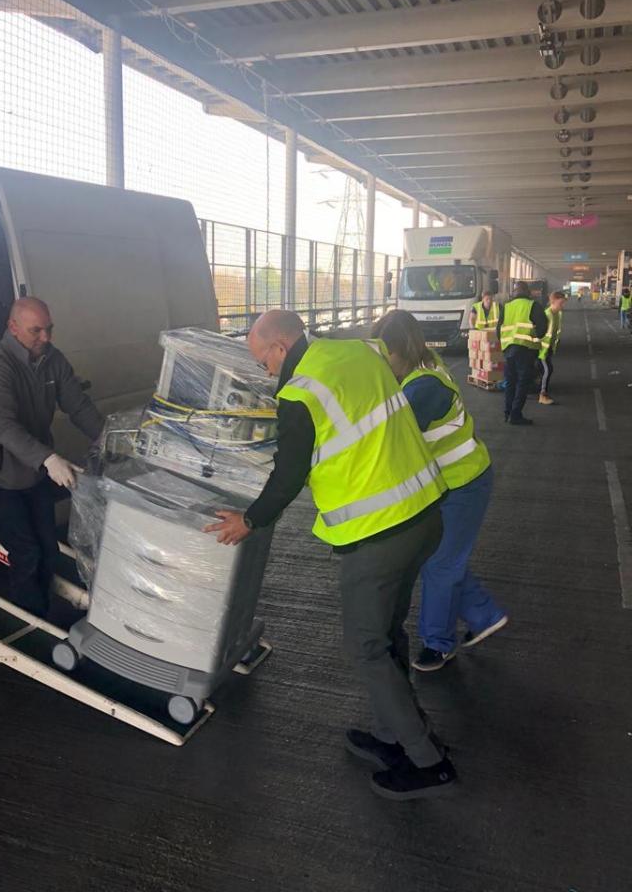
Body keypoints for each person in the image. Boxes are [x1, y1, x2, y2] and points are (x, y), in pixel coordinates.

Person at [205, 310, 456, 801]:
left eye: (263, 361)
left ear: (280, 346)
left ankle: (428, 761)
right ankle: (392, 738)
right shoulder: (358, 350)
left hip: (379, 533)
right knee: (385, 635)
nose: (265, 372)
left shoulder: (299, 392)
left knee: (366, 647)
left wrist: (248, 520)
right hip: (422, 513)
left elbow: (289, 472)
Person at [372, 311, 507, 673]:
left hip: (464, 484)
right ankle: (484, 613)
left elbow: (390, 439)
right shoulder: (424, 368)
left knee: (440, 565)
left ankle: (439, 644)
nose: (386, 364)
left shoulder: (423, 389)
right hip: (449, 484)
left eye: (389, 356)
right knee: (440, 559)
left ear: (403, 350)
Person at [0, 297, 104, 616]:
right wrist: (49, 458)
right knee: (27, 552)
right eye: (36, 330)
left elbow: (77, 404)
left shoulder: (52, 359)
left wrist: (106, 436)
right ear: (13, 328)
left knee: (47, 545)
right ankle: (28, 618)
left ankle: (41, 606)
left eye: (49, 329)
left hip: (34, 472)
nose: (46, 337)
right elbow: (3, 425)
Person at [497, 281, 548, 426]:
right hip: (525, 350)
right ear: (528, 292)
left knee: (510, 382)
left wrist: (506, 343)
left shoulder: (506, 307)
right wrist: (535, 335)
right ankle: (515, 414)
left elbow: (498, 329)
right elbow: (542, 328)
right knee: (522, 383)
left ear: (514, 292)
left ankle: (507, 413)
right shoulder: (533, 305)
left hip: (508, 350)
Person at [538, 291, 567, 406]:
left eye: (564, 303)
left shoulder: (557, 314)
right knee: (548, 370)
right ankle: (542, 394)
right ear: (553, 301)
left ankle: (543, 391)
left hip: (549, 349)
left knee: (546, 370)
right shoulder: (546, 315)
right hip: (542, 349)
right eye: (561, 303)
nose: (563, 306)